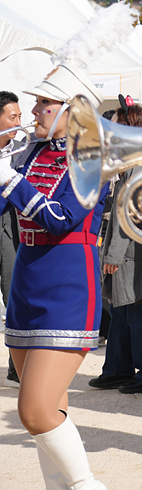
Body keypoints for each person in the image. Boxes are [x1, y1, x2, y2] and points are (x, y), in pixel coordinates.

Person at [3, 3, 135, 490]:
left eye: (42, 103)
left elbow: (59, 219)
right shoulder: (30, 151)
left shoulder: (91, 157)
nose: (32, 109)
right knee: (47, 414)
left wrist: (9, 181)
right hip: (26, 284)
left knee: (34, 410)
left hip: (66, 289)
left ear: (69, 110)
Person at [88, 103, 142, 395]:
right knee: (122, 315)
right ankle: (117, 369)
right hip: (134, 252)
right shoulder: (135, 161)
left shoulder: (140, 164)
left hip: (137, 254)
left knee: (138, 316)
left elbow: (129, 215)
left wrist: (112, 255)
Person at [0, 90, 22, 386]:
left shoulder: (22, 150)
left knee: (14, 297)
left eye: (19, 116)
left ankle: (18, 365)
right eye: (13, 116)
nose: (19, 121)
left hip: (9, 227)